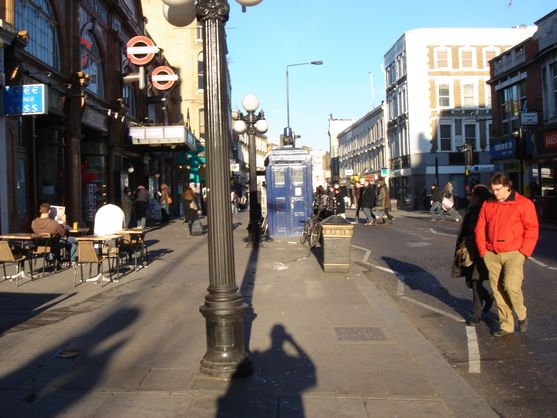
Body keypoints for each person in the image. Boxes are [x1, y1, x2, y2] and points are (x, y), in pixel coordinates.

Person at [475, 172, 539, 337]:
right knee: (497, 290)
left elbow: (532, 228)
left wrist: (524, 252)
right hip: (491, 253)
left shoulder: (523, 204)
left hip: (514, 252)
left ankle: (521, 314)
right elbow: (480, 227)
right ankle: (506, 325)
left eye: (498, 189)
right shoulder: (488, 203)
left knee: (510, 286)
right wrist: (483, 250)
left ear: (507, 187)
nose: (494, 193)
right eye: (493, 190)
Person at [452, 184, 493, 325]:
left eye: (473, 195)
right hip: (469, 250)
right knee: (471, 281)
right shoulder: (472, 209)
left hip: (481, 251)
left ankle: (476, 315)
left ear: (478, 197)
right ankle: (487, 297)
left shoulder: (486, 210)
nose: (470, 197)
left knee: (476, 281)